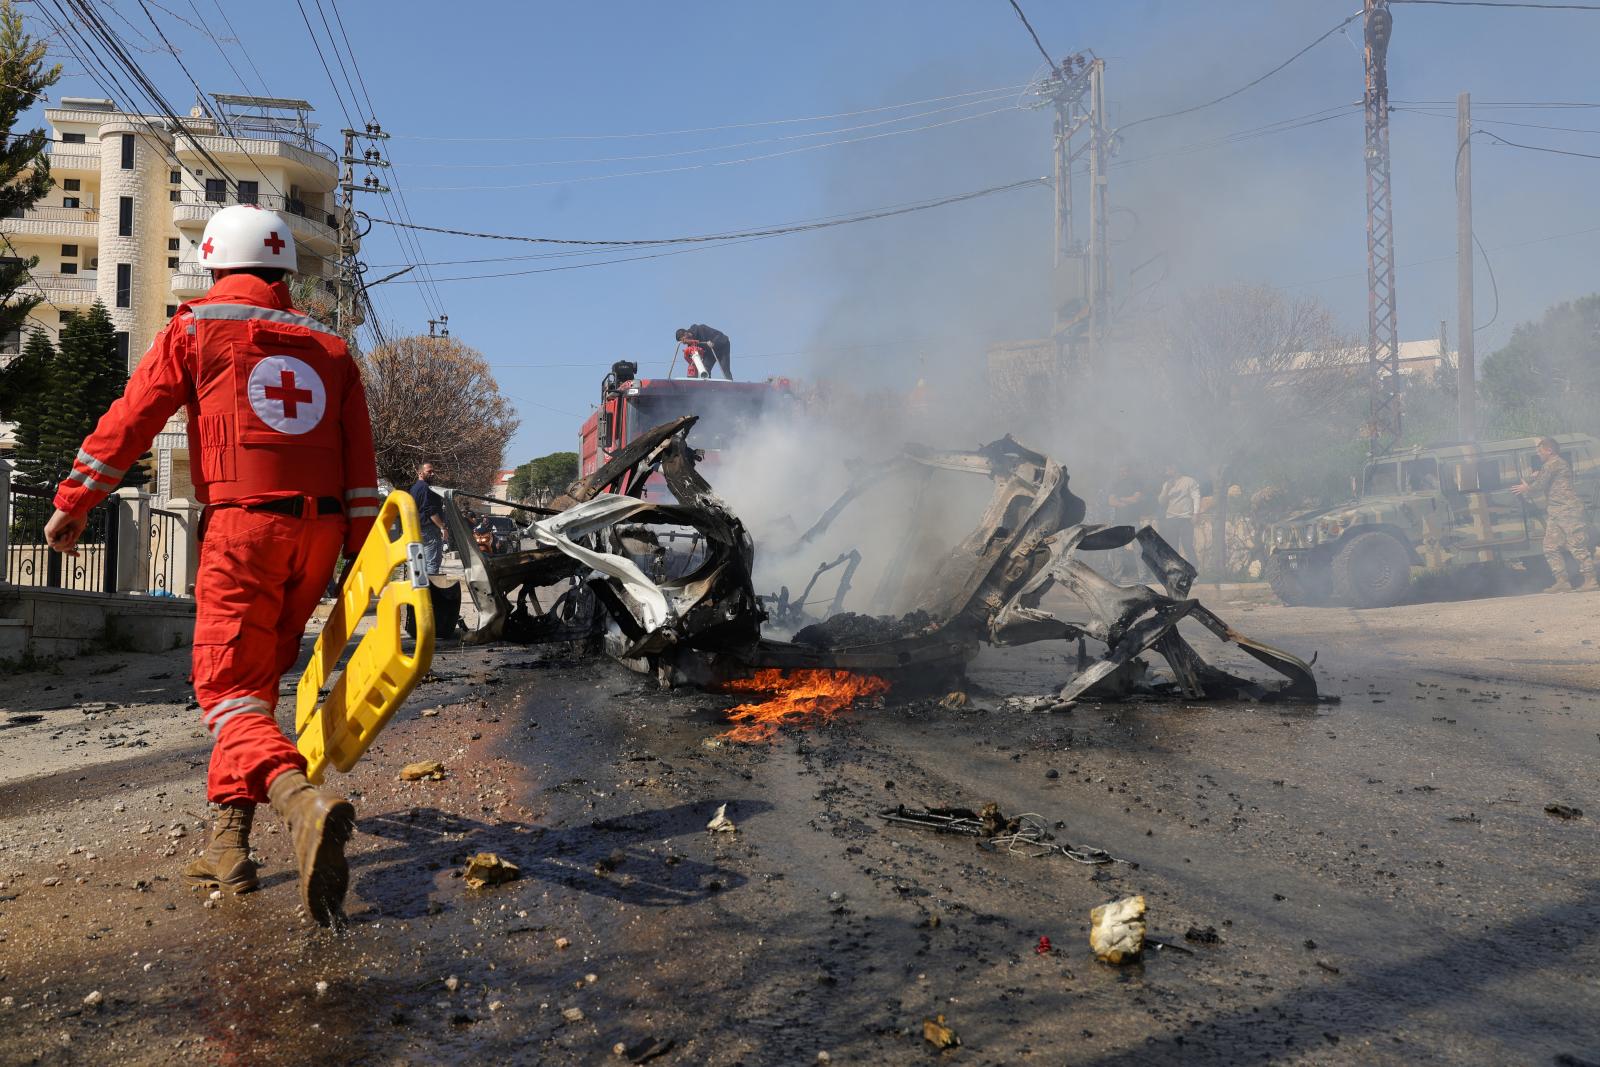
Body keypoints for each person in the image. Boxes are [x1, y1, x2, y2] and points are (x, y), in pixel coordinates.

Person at [43, 204, 381, 927]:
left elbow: (133, 416)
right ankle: (230, 845)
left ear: (214, 261)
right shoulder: (332, 346)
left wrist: (76, 497)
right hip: (318, 536)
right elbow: (361, 467)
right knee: (255, 689)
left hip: (245, 524)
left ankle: (300, 801)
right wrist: (359, 552)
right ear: (287, 269)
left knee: (225, 690)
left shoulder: (195, 326)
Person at [1513, 437, 1598, 593]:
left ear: (1549, 450)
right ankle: (1562, 581)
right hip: (1556, 512)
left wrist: (1526, 487)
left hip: (1568, 511)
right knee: (1550, 546)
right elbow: (1540, 478)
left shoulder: (1555, 464)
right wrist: (1532, 478)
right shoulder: (1550, 466)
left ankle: (1590, 580)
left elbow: (1539, 485)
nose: (1539, 454)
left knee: (1576, 545)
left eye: (1540, 451)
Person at [1106, 464, 1149, 580]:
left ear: (1129, 472)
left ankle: (1143, 576)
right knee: (1117, 551)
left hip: (1133, 522)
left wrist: (1121, 499)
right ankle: (1117, 577)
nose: (1122, 474)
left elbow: (1136, 499)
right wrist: (1126, 500)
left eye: (1124, 471)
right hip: (1118, 522)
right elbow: (1111, 501)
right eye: (1121, 472)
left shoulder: (1136, 483)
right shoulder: (1116, 484)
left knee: (1138, 550)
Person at [1157, 463, 1201, 562]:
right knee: (1172, 548)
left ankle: (1195, 571)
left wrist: (1195, 514)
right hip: (1171, 519)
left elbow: (1196, 497)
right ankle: (1177, 573)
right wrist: (1167, 489)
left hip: (1185, 519)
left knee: (1187, 545)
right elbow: (1161, 502)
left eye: (1168, 470)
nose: (1166, 473)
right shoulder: (1167, 484)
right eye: (1166, 471)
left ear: (1175, 469)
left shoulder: (1189, 481)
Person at [410, 461, 448, 575]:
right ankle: (431, 591)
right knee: (432, 562)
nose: (432, 474)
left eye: (433, 471)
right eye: (429, 471)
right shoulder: (427, 488)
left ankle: (421, 590)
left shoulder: (414, 488)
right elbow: (430, 511)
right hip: (429, 530)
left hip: (418, 529)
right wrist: (442, 527)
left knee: (420, 564)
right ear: (420, 473)